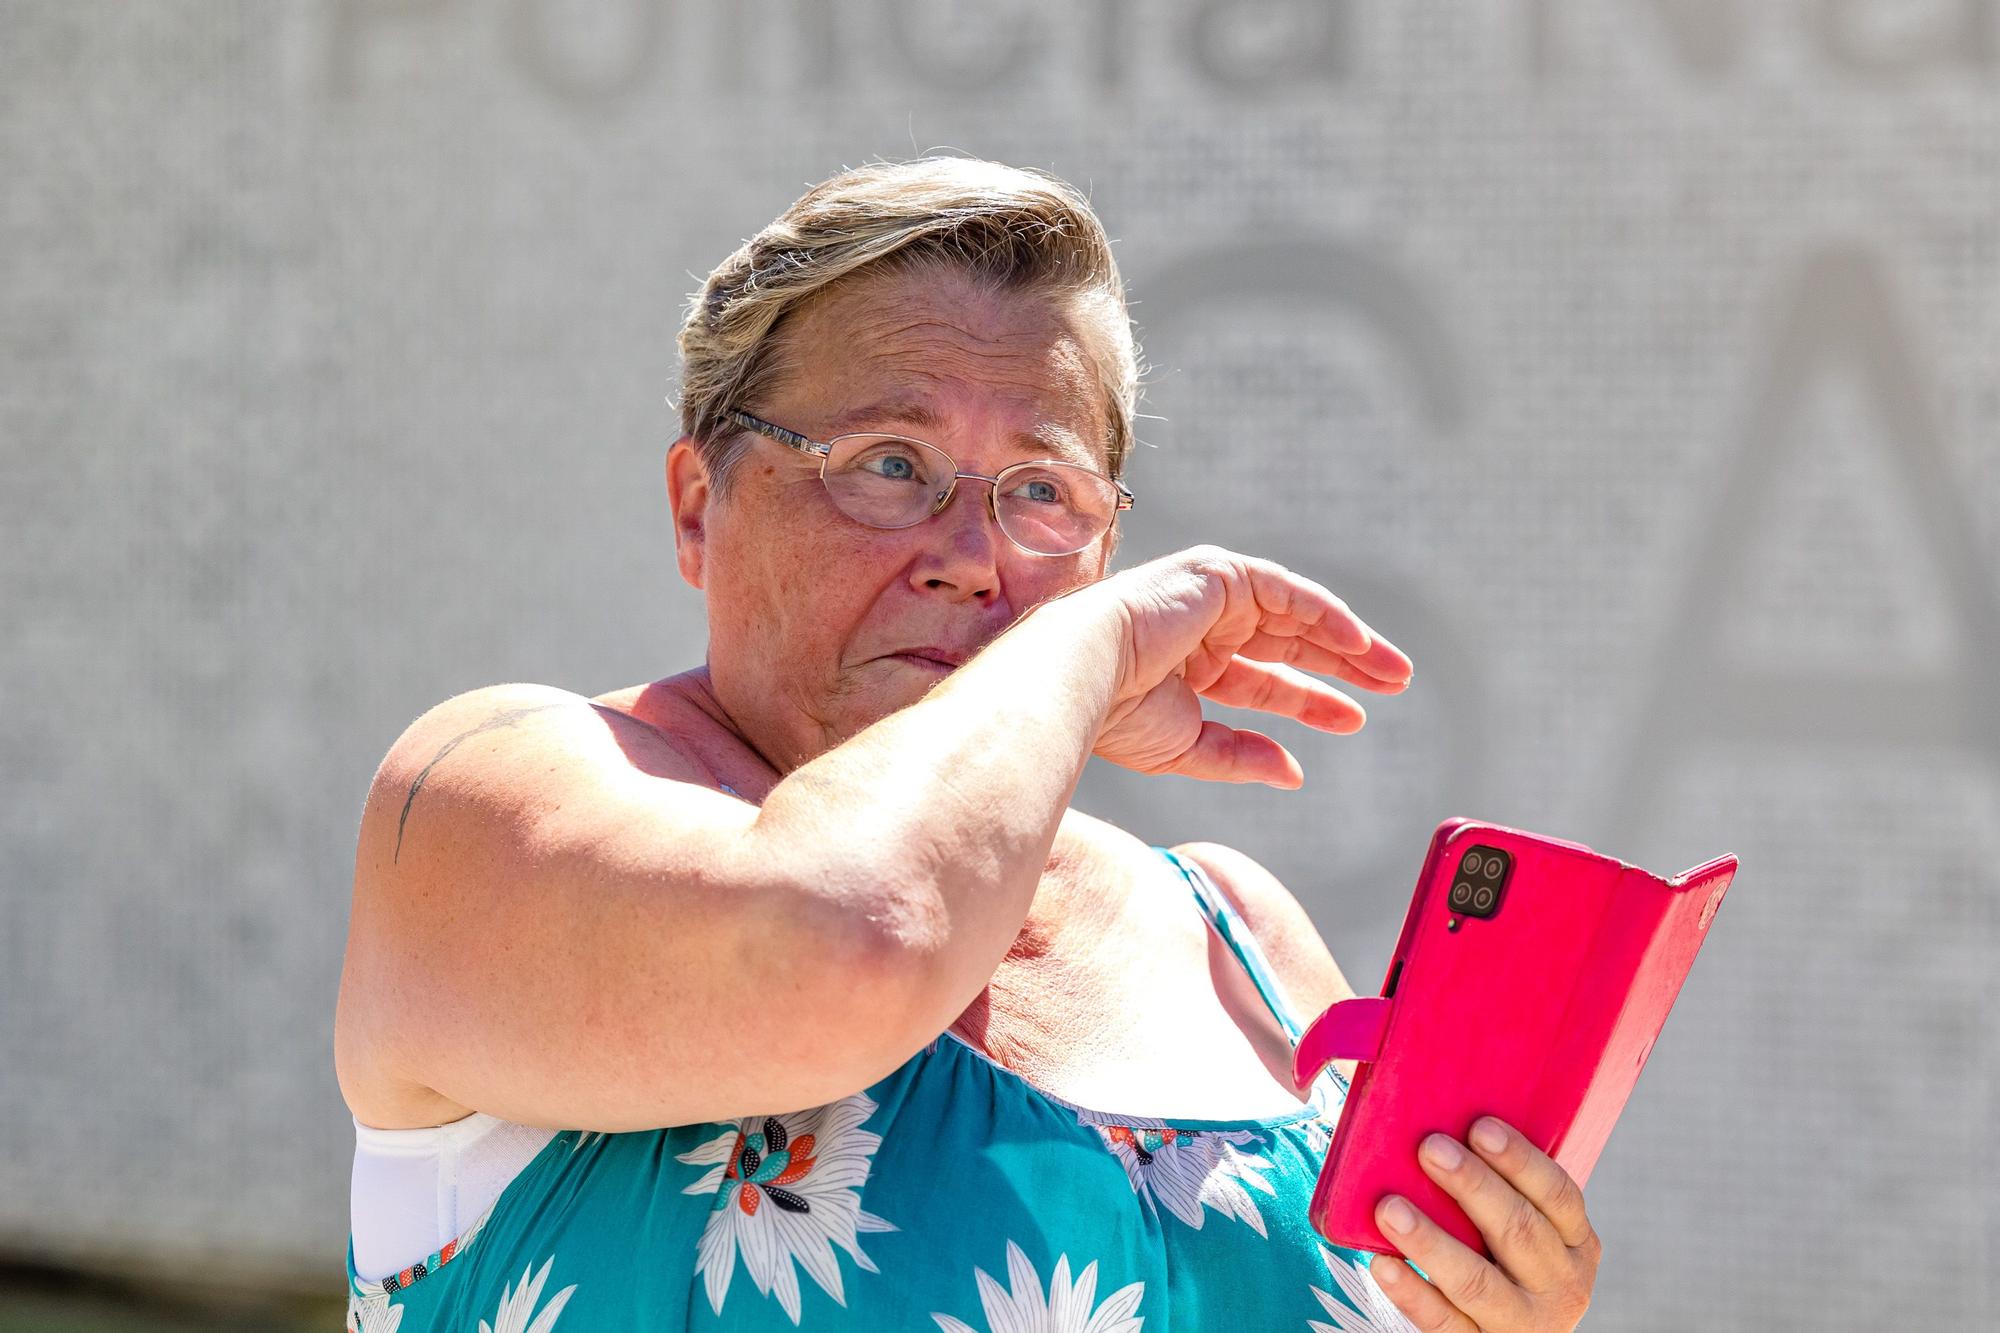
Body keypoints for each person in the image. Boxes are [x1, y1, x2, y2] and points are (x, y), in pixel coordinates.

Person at [335, 155, 1600, 1332]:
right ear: (694, 506)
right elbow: (850, 943)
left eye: (1041, 491)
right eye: (890, 464)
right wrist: (1091, 647)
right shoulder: (485, 792)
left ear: (1103, 544)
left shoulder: (1234, 930)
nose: (967, 557)